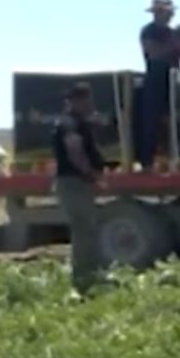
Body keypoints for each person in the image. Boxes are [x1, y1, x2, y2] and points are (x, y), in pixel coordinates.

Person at [53, 82, 112, 294]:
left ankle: (89, 273)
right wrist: (93, 176)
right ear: (76, 101)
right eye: (85, 99)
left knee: (87, 228)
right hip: (73, 183)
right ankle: (84, 275)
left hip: (77, 183)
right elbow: (75, 153)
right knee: (84, 230)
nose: (90, 103)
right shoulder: (70, 124)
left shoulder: (77, 122)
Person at [136, 0, 179, 171]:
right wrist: (174, 43)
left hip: (173, 79)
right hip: (155, 79)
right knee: (150, 121)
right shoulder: (148, 31)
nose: (169, 15)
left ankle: (173, 161)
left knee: (174, 121)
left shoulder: (171, 32)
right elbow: (154, 53)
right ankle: (147, 162)